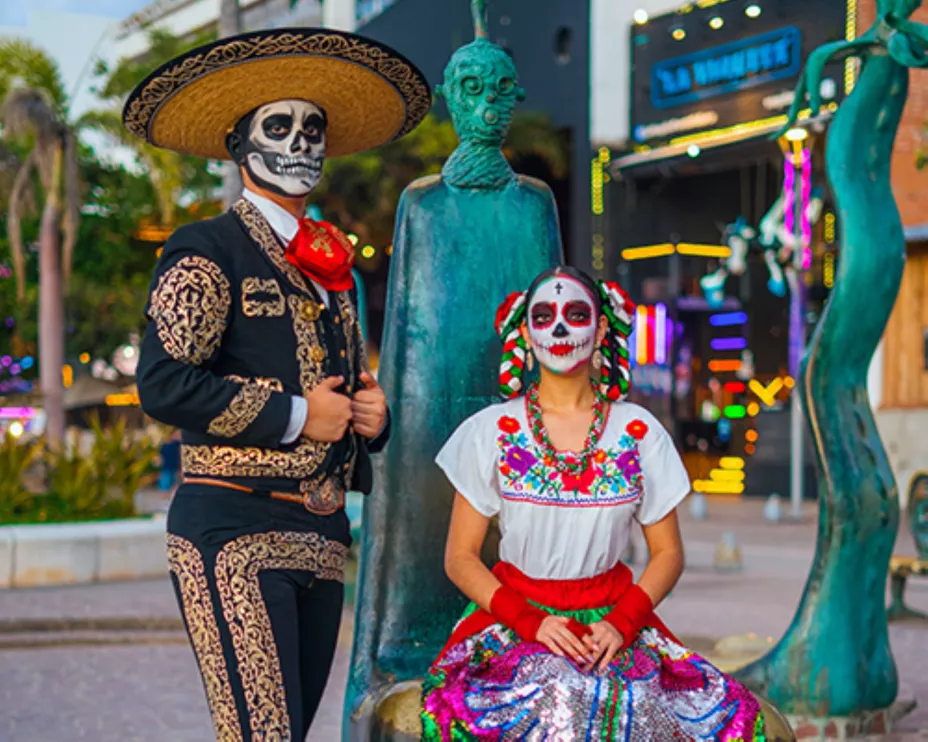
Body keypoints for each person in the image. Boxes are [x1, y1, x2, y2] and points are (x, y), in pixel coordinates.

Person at [124, 27, 430, 739]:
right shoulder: (206, 247)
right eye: (280, 126)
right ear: (239, 145)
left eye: (313, 128)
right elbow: (163, 382)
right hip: (233, 526)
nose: (301, 142)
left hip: (321, 536)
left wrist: (369, 417)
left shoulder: (333, 269)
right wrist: (296, 415)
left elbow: (339, 398)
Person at [421, 266, 764, 740]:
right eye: (543, 316)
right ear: (525, 331)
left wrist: (622, 624)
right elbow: (459, 558)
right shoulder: (491, 432)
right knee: (558, 698)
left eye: (577, 313)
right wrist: (531, 623)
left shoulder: (638, 432)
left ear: (602, 328)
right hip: (516, 622)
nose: (560, 328)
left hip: (613, 625)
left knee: (722, 717)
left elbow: (668, 554)